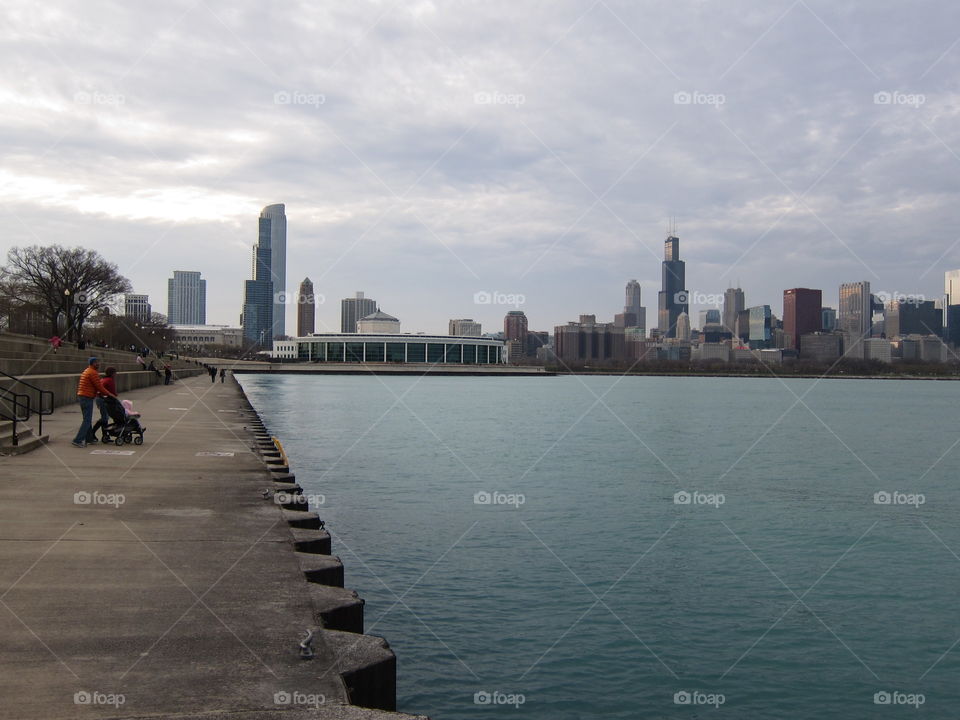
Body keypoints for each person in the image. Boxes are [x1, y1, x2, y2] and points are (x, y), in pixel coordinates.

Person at [72, 358, 118, 448]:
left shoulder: (87, 371)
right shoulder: (92, 373)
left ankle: (89, 438)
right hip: (86, 397)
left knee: (87, 418)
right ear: (93, 363)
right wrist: (110, 394)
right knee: (87, 420)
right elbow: (99, 387)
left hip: (83, 396)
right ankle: (78, 440)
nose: (99, 364)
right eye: (97, 363)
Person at [90, 366, 119, 442]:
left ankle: (105, 436)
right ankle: (92, 432)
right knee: (105, 417)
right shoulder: (110, 380)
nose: (116, 374)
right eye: (115, 373)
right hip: (103, 400)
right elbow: (113, 392)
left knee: (105, 417)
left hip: (99, 399)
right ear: (112, 373)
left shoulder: (103, 379)